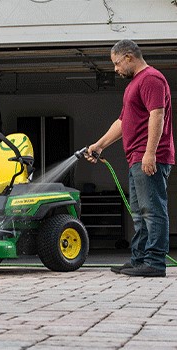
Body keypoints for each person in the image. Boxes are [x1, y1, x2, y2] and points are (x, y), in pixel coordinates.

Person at [86, 39, 175, 277]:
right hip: (136, 157)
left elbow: (157, 115)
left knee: (152, 210)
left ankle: (154, 263)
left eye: (116, 63)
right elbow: (122, 122)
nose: (115, 69)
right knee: (138, 212)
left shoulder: (151, 79)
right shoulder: (134, 85)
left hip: (149, 156)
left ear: (128, 57)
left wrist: (150, 153)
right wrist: (99, 145)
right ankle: (139, 260)